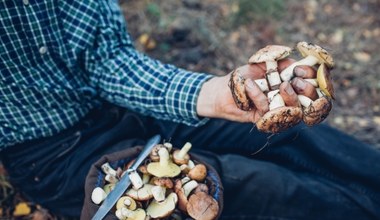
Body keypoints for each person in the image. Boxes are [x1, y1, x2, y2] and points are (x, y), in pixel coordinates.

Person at [1, 1, 379, 219]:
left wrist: (216, 95)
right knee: (252, 184)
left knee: (290, 131)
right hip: (53, 153)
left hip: (121, 101)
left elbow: (110, 61)